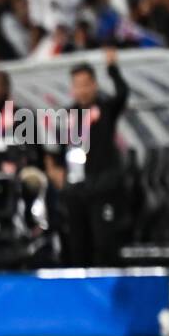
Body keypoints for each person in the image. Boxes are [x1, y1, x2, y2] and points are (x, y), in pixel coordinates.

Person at [61, 48, 129, 266]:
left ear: (94, 85)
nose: (81, 90)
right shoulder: (69, 115)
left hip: (103, 187)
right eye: (77, 85)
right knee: (78, 244)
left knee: (104, 241)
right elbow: (64, 149)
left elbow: (123, 94)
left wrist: (113, 69)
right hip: (77, 190)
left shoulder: (106, 108)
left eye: (85, 84)